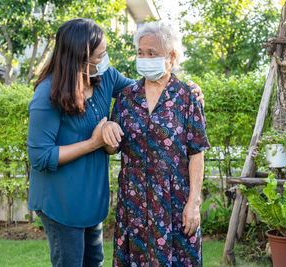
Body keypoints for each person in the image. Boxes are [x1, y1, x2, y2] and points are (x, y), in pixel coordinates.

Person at [26, 18, 204, 267]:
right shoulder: (48, 94)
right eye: (99, 56)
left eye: (104, 52)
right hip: (61, 200)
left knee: (94, 261)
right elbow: (40, 157)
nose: (105, 60)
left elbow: (145, 93)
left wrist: (186, 89)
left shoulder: (104, 77)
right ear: (78, 59)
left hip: (91, 199)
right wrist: (94, 142)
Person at [102, 21, 210, 266]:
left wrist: (194, 202)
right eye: (141, 53)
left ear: (171, 56)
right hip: (134, 202)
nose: (144, 58)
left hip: (175, 201)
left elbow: (197, 153)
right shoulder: (126, 98)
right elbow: (112, 148)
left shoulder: (186, 97)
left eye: (152, 53)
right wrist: (105, 131)